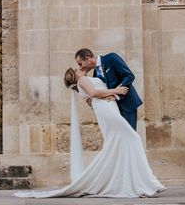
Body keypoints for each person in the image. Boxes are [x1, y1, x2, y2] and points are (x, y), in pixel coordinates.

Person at [14, 68, 165, 198]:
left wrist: (109, 96)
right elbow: (93, 93)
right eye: (77, 68)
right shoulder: (82, 80)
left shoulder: (81, 84)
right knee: (133, 139)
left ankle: (132, 182)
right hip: (107, 110)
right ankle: (149, 182)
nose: (80, 68)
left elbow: (93, 99)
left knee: (118, 144)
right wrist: (116, 91)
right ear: (76, 74)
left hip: (106, 108)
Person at [75, 48, 142, 130]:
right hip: (113, 109)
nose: (80, 68)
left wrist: (116, 95)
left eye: (80, 64)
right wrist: (91, 102)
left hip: (126, 103)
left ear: (87, 59)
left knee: (129, 134)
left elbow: (129, 76)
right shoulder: (95, 75)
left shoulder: (111, 58)